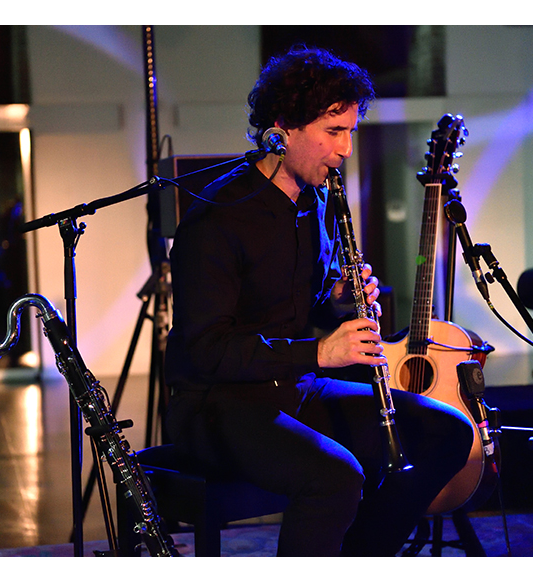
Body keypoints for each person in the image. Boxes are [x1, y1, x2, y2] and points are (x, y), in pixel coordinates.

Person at [163, 46, 473, 557]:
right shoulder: (217, 215)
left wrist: (341, 298)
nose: (346, 149)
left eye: (350, 132)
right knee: (336, 476)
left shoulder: (319, 200)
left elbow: (310, 305)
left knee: (447, 431)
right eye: (334, 132)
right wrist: (320, 352)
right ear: (281, 130)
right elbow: (205, 349)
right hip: (217, 405)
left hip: (294, 388)